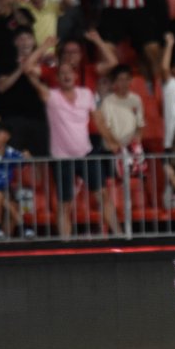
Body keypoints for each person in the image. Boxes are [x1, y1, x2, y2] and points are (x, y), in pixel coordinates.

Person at [27, 61, 123, 239]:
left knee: (103, 195)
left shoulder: (86, 94)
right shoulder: (51, 96)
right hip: (62, 158)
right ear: (56, 78)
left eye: (69, 71)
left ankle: (120, 236)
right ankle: (66, 245)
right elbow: (28, 72)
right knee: (65, 204)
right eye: (61, 73)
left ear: (76, 75)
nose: (66, 75)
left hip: (86, 153)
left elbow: (99, 121)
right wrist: (45, 47)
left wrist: (112, 141)